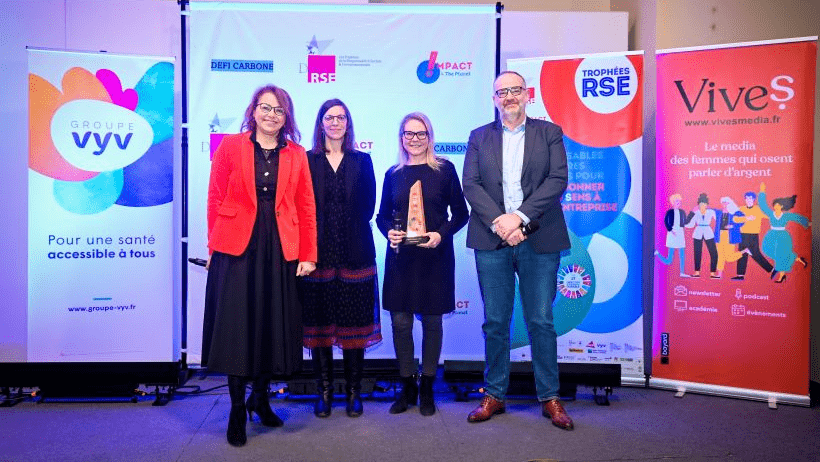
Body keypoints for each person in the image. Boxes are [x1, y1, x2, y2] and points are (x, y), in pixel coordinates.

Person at [202, 84, 317, 447]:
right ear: (253, 111)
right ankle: (237, 409)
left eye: (279, 110)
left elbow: (306, 206)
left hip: (281, 247)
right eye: (265, 108)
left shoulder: (296, 154)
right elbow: (215, 196)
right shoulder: (230, 146)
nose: (271, 115)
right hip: (237, 246)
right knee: (238, 328)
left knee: (272, 325)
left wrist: (308, 254)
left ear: (286, 117)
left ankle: (260, 399)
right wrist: (214, 244)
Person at [462, 71, 574, 430]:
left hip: (539, 238)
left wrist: (519, 218)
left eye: (515, 90)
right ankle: (495, 394)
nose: (509, 97)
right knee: (495, 321)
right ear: (494, 99)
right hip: (491, 237)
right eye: (502, 92)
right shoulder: (479, 137)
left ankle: (550, 397)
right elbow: (471, 184)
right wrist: (501, 222)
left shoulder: (549, 133)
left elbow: (557, 179)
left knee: (540, 320)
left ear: (527, 94)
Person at [376, 112, 468, 416]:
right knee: (400, 324)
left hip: (434, 258)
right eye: (409, 133)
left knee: (432, 323)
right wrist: (388, 231)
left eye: (421, 133)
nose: (414, 139)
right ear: (401, 138)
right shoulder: (393, 173)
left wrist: (441, 235)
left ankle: (427, 386)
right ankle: (407, 387)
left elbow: (461, 214)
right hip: (401, 259)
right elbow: (382, 216)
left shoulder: (444, 170)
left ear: (429, 136)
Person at [298, 99, 381, 419]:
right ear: (320, 123)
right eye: (329, 117)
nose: (335, 122)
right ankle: (324, 392)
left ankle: (354, 393)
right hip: (316, 256)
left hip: (355, 253)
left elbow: (369, 206)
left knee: (354, 328)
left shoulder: (363, 160)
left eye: (341, 117)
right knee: (319, 328)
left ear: (348, 123)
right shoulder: (307, 160)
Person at [758, 183, 809, 283]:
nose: (775, 206)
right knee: (766, 250)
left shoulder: (785, 215)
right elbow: (763, 207)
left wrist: (807, 223)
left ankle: (782, 276)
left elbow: (796, 217)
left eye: (777, 205)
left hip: (783, 236)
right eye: (774, 205)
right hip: (772, 235)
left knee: (781, 255)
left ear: (781, 206)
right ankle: (798, 259)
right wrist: (762, 192)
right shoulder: (771, 214)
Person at [732, 191, 775, 280]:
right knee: (742, 253)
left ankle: (771, 269)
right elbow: (734, 219)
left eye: (750, 198)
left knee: (754, 253)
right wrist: (746, 218)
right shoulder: (741, 209)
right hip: (742, 235)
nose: (748, 200)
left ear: (754, 200)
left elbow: (769, 216)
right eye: (747, 198)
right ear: (745, 199)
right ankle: (740, 275)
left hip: (753, 235)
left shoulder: (758, 209)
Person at [654, 193, 689, 277]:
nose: (678, 203)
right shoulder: (669, 212)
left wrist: (692, 213)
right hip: (672, 234)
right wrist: (671, 230)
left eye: (679, 201)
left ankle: (682, 272)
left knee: (682, 255)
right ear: (672, 202)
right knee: (669, 260)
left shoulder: (682, 212)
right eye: (676, 201)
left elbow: (686, 222)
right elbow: (666, 222)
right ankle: (657, 254)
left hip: (680, 233)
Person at [685, 193, 718, 278]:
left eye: (704, 204)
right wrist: (691, 212)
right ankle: (697, 272)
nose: (702, 206)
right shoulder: (696, 213)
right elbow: (689, 224)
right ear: (698, 205)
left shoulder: (711, 212)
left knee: (714, 252)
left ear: (707, 205)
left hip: (708, 232)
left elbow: (718, 219)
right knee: (697, 253)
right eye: (700, 204)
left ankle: (713, 273)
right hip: (698, 233)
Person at [713, 196, 745, 278]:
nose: (725, 204)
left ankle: (744, 251)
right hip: (719, 236)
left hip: (730, 236)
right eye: (723, 202)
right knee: (720, 255)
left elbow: (743, 221)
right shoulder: (718, 212)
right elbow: (709, 210)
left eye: (726, 202)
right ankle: (719, 274)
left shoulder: (735, 212)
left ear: (730, 203)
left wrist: (733, 226)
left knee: (729, 257)